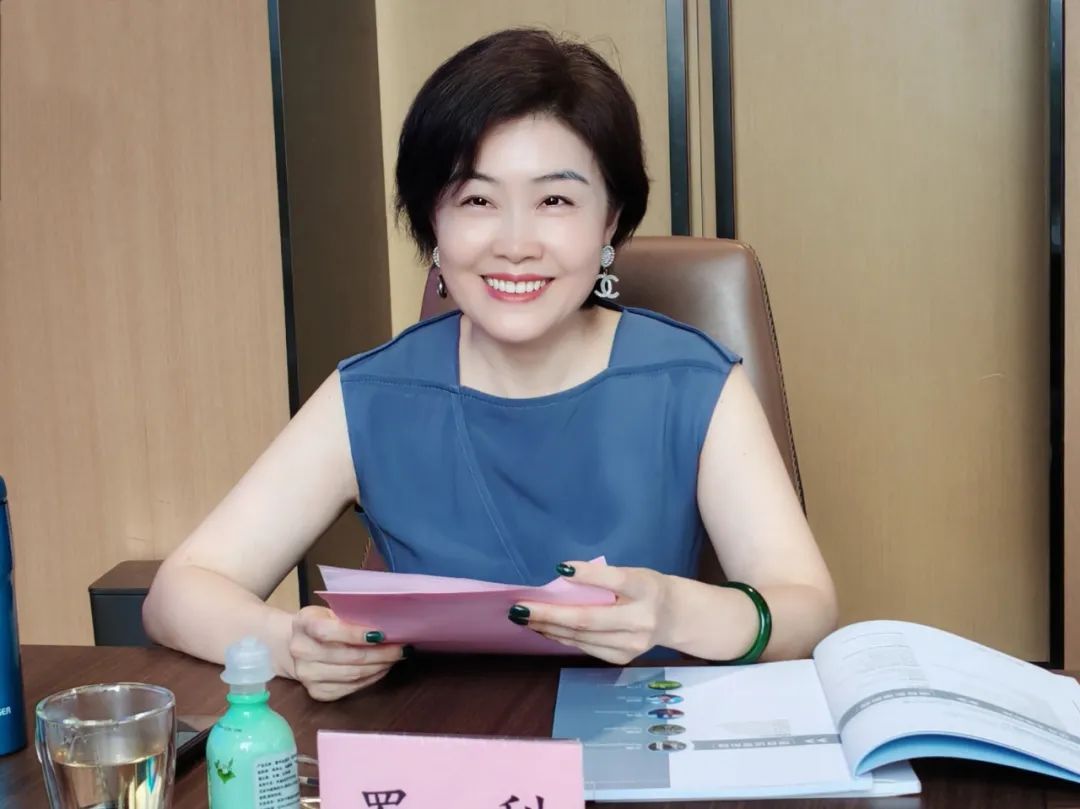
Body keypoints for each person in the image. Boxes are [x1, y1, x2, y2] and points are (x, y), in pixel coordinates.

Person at [143, 28, 837, 702]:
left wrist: (675, 612)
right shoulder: (374, 394)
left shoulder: (694, 383)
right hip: (436, 749)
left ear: (609, 221)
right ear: (433, 225)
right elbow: (180, 590)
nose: (514, 243)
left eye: (555, 200)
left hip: (646, 740)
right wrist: (290, 645)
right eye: (477, 199)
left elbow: (806, 607)